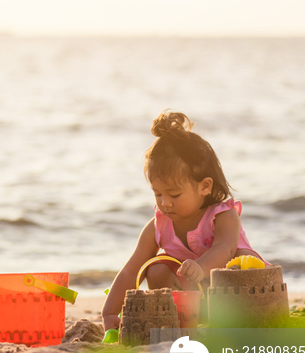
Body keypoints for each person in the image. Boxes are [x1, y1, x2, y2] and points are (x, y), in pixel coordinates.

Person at [101, 110, 263, 331]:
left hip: (232, 297)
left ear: (205, 186)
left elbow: (225, 249)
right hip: (193, 302)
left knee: (241, 264)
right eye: (158, 194)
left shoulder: (223, 215)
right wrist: (110, 311)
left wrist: (201, 266)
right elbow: (131, 270)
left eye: (174, 195)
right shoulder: (158, 226)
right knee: (156, 269)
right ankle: (179, 320)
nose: (165, 203)